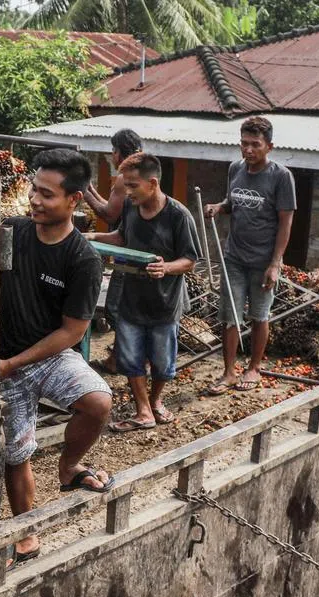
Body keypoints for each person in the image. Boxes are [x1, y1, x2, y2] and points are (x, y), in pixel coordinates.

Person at [0, 148, 114, 563]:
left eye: (47, 195)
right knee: (17, 453)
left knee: (98, 402)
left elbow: (72, 332)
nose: (35, 200)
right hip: (6, 354)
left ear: (75, 200)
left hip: (47, 355)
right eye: (34, 190)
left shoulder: (83, 259)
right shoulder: (14, 230)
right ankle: (27, 533)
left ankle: (69, 468)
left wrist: (12, 364)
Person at [86, 153, 199, 432]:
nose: (128, 192)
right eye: (126, 186)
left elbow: (190, 259)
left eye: (133, 186)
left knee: (163, 360)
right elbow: (122, 238)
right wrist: (93, 237)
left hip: (164, 301)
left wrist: (167, 267)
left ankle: (156, 400)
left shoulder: (178, 215)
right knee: (130, 356)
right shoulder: (130, 208)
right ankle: (143, 409)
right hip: (131, 296)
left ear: (152, 183)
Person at [203, 116, 296, 394]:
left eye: (255, 144)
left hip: (263, 260)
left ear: (269, 146)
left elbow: (285, 223)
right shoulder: (235, 169)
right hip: (234, 256)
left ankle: (254, 368)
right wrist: (219, 207)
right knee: (229, 315)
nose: (248, 150)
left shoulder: (281, 177)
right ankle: (229, 371)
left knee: (259, 314)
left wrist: (275, 263)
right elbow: (234, 203)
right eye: (244, 144)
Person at [84, 128, 143, 375]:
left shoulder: (124, 177)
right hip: (133, 244)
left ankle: (133, 357)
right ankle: (118, 358)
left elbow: (109, 214)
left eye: (113, 150)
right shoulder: (141, 170)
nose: (111, 155)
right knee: (126, 307)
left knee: (116, 309)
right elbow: (112, 206)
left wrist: (84, 192)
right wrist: (89, 188)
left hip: (129, 249)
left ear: (119, 152)